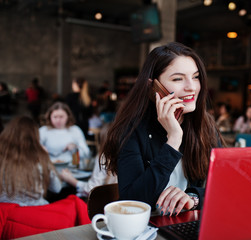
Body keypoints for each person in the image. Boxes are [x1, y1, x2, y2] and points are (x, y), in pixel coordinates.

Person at [101, 42, 225, 217]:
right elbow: (133, 203)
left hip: (186, 223)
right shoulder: (131, 130)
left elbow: (226, 185)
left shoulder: (205, 125)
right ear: (154, 86)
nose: (191, 86)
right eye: (178, 79)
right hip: (146, 228)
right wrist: (173, 140)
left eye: (195, 77)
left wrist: (193, 198)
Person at [0, 116, 62, 206]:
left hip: (5, 213)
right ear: (35, 136)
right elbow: (57, 188)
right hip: (34, 213)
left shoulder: (2, 158)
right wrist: (46, 157)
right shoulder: (41, 158)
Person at [59, 124, 117, 198]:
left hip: (103, 201)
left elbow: (92, 189)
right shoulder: (126, 155)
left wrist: (72, 180)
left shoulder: (104, 156)